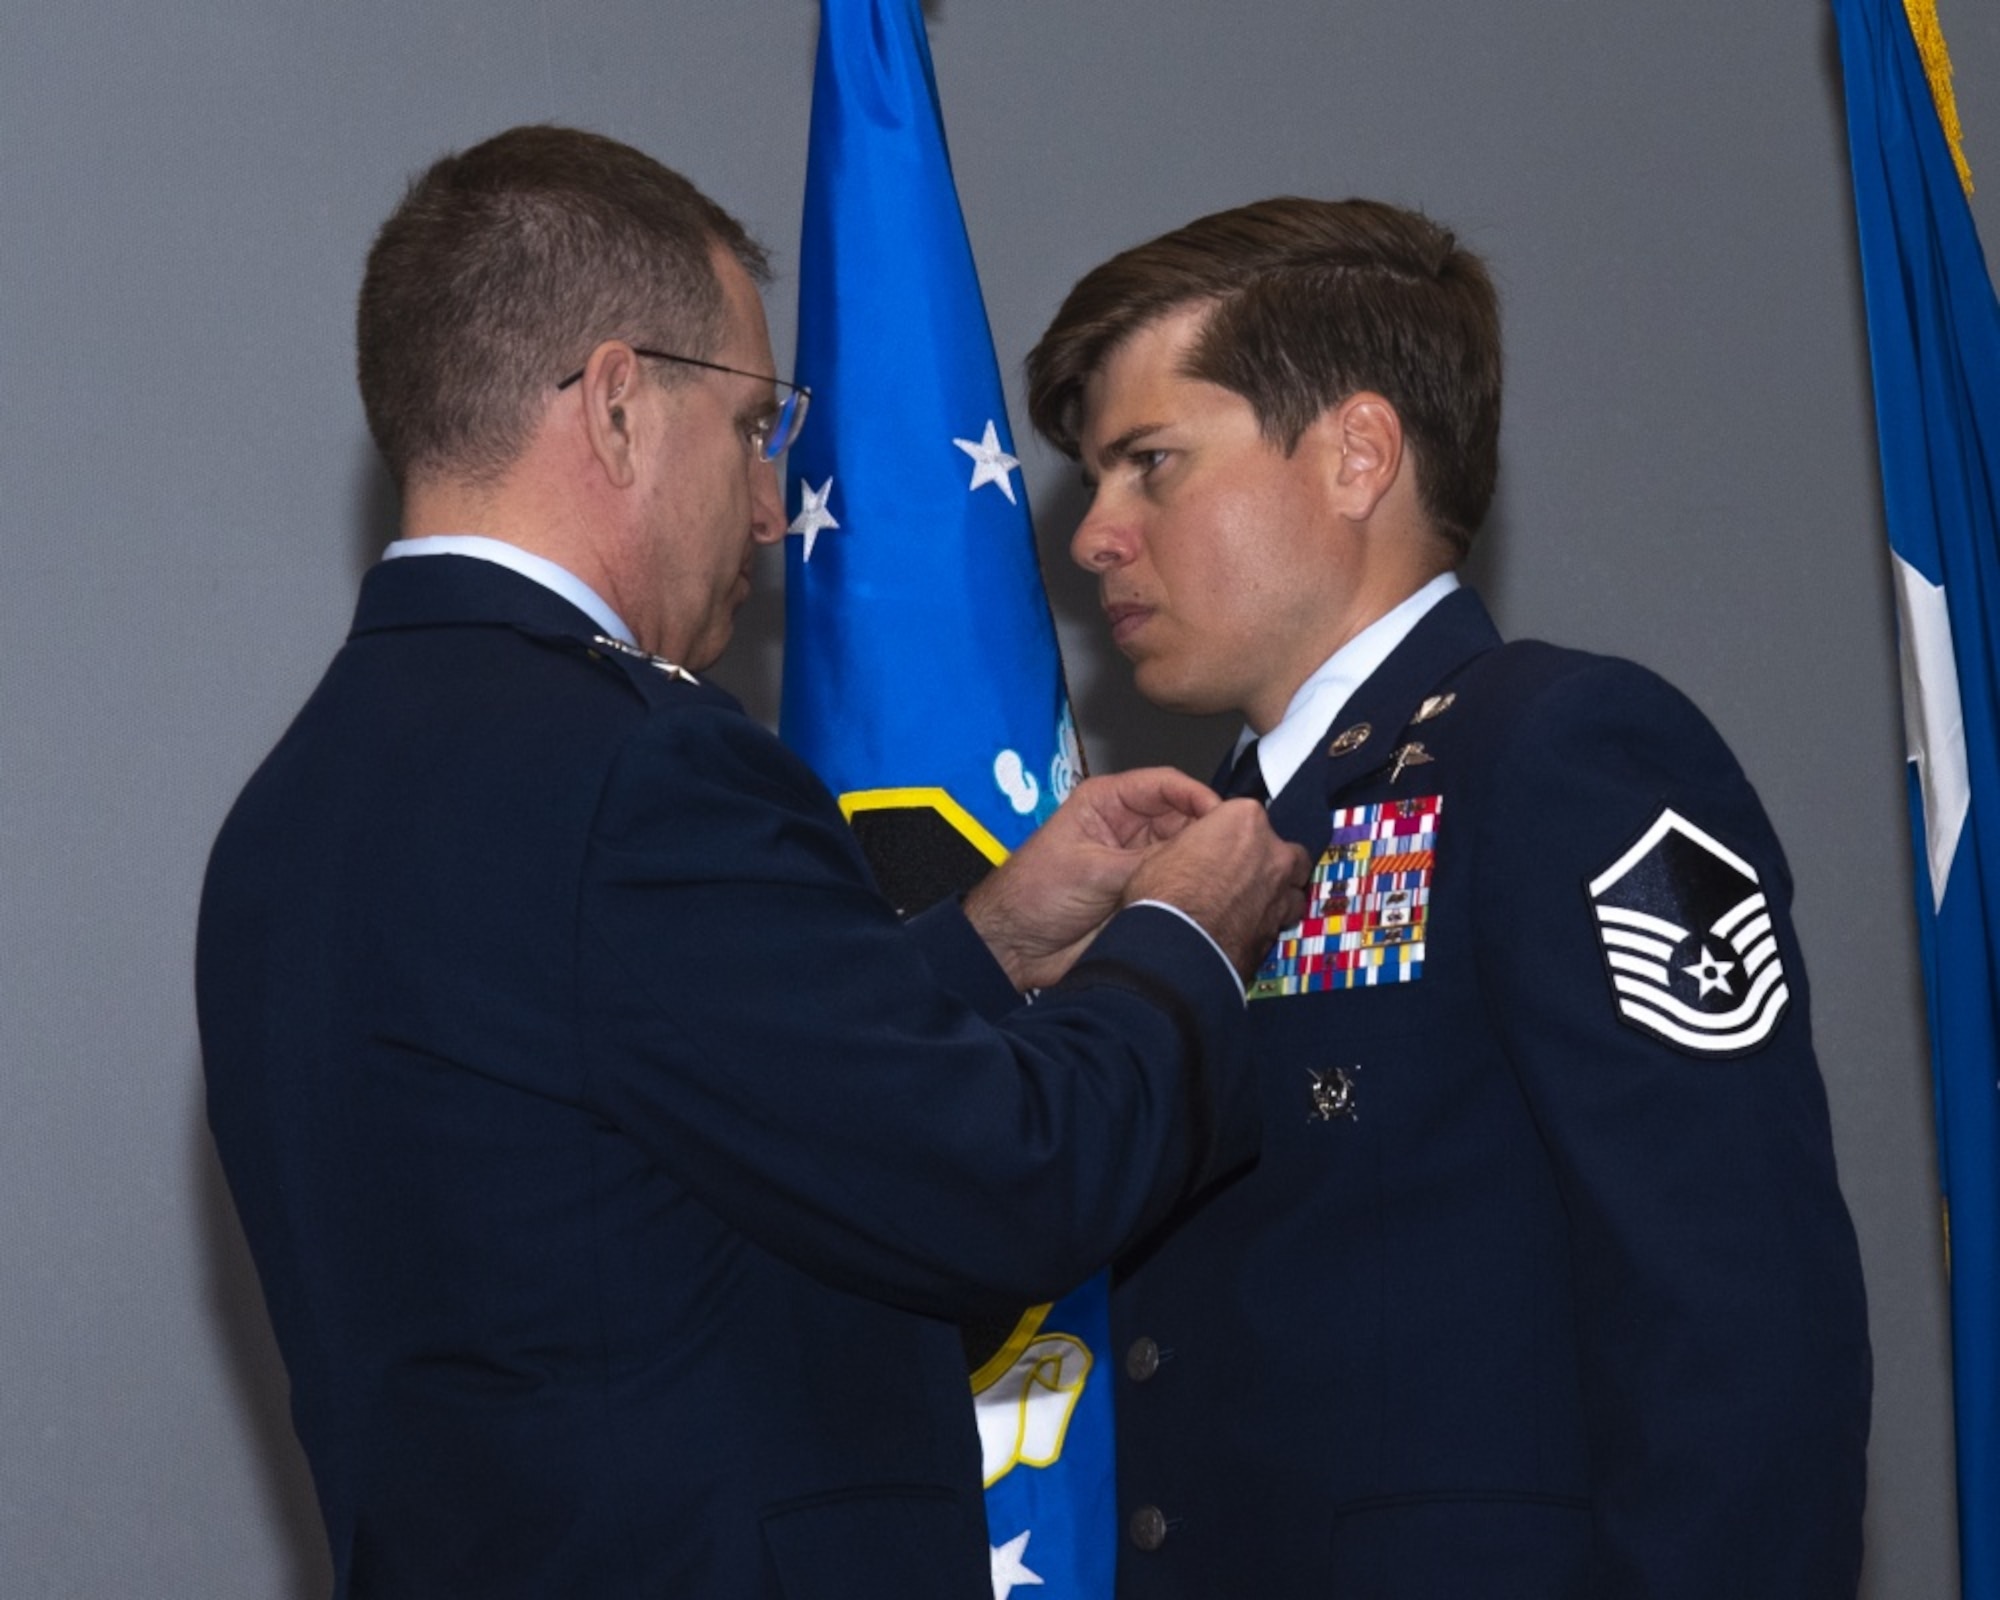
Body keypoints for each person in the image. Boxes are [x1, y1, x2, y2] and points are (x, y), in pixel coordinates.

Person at [195, 125, 1308, 1600]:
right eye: (753, 429)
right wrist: (1184, 933)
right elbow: (1011, 1184)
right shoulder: (637, 765)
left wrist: (991, 938)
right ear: (615, 407)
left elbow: (663, 1114)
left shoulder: (288, 813)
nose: (777, 505)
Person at [1026, 197, 1872, 1598]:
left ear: (1359, 453)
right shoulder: (1199, 853)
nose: (1096, 537)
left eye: (1150, 466)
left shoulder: (1562, 754)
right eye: (1095, 483)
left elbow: (1738, 1319)